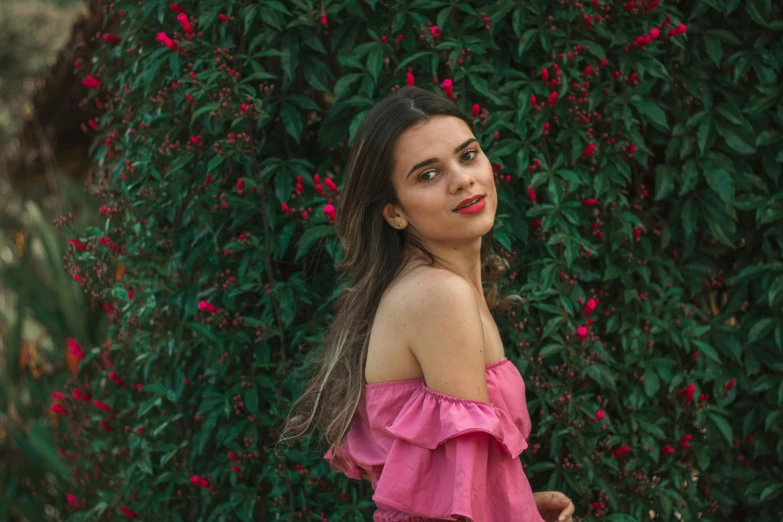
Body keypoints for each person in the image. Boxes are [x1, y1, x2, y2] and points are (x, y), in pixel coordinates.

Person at [276, 86, 575, 522]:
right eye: (428, 175)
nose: (462, 179)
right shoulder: (440, 296)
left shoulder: (439, 287)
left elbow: (462, 483)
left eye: (468, 155)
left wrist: (524, 504)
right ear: (395, 212)